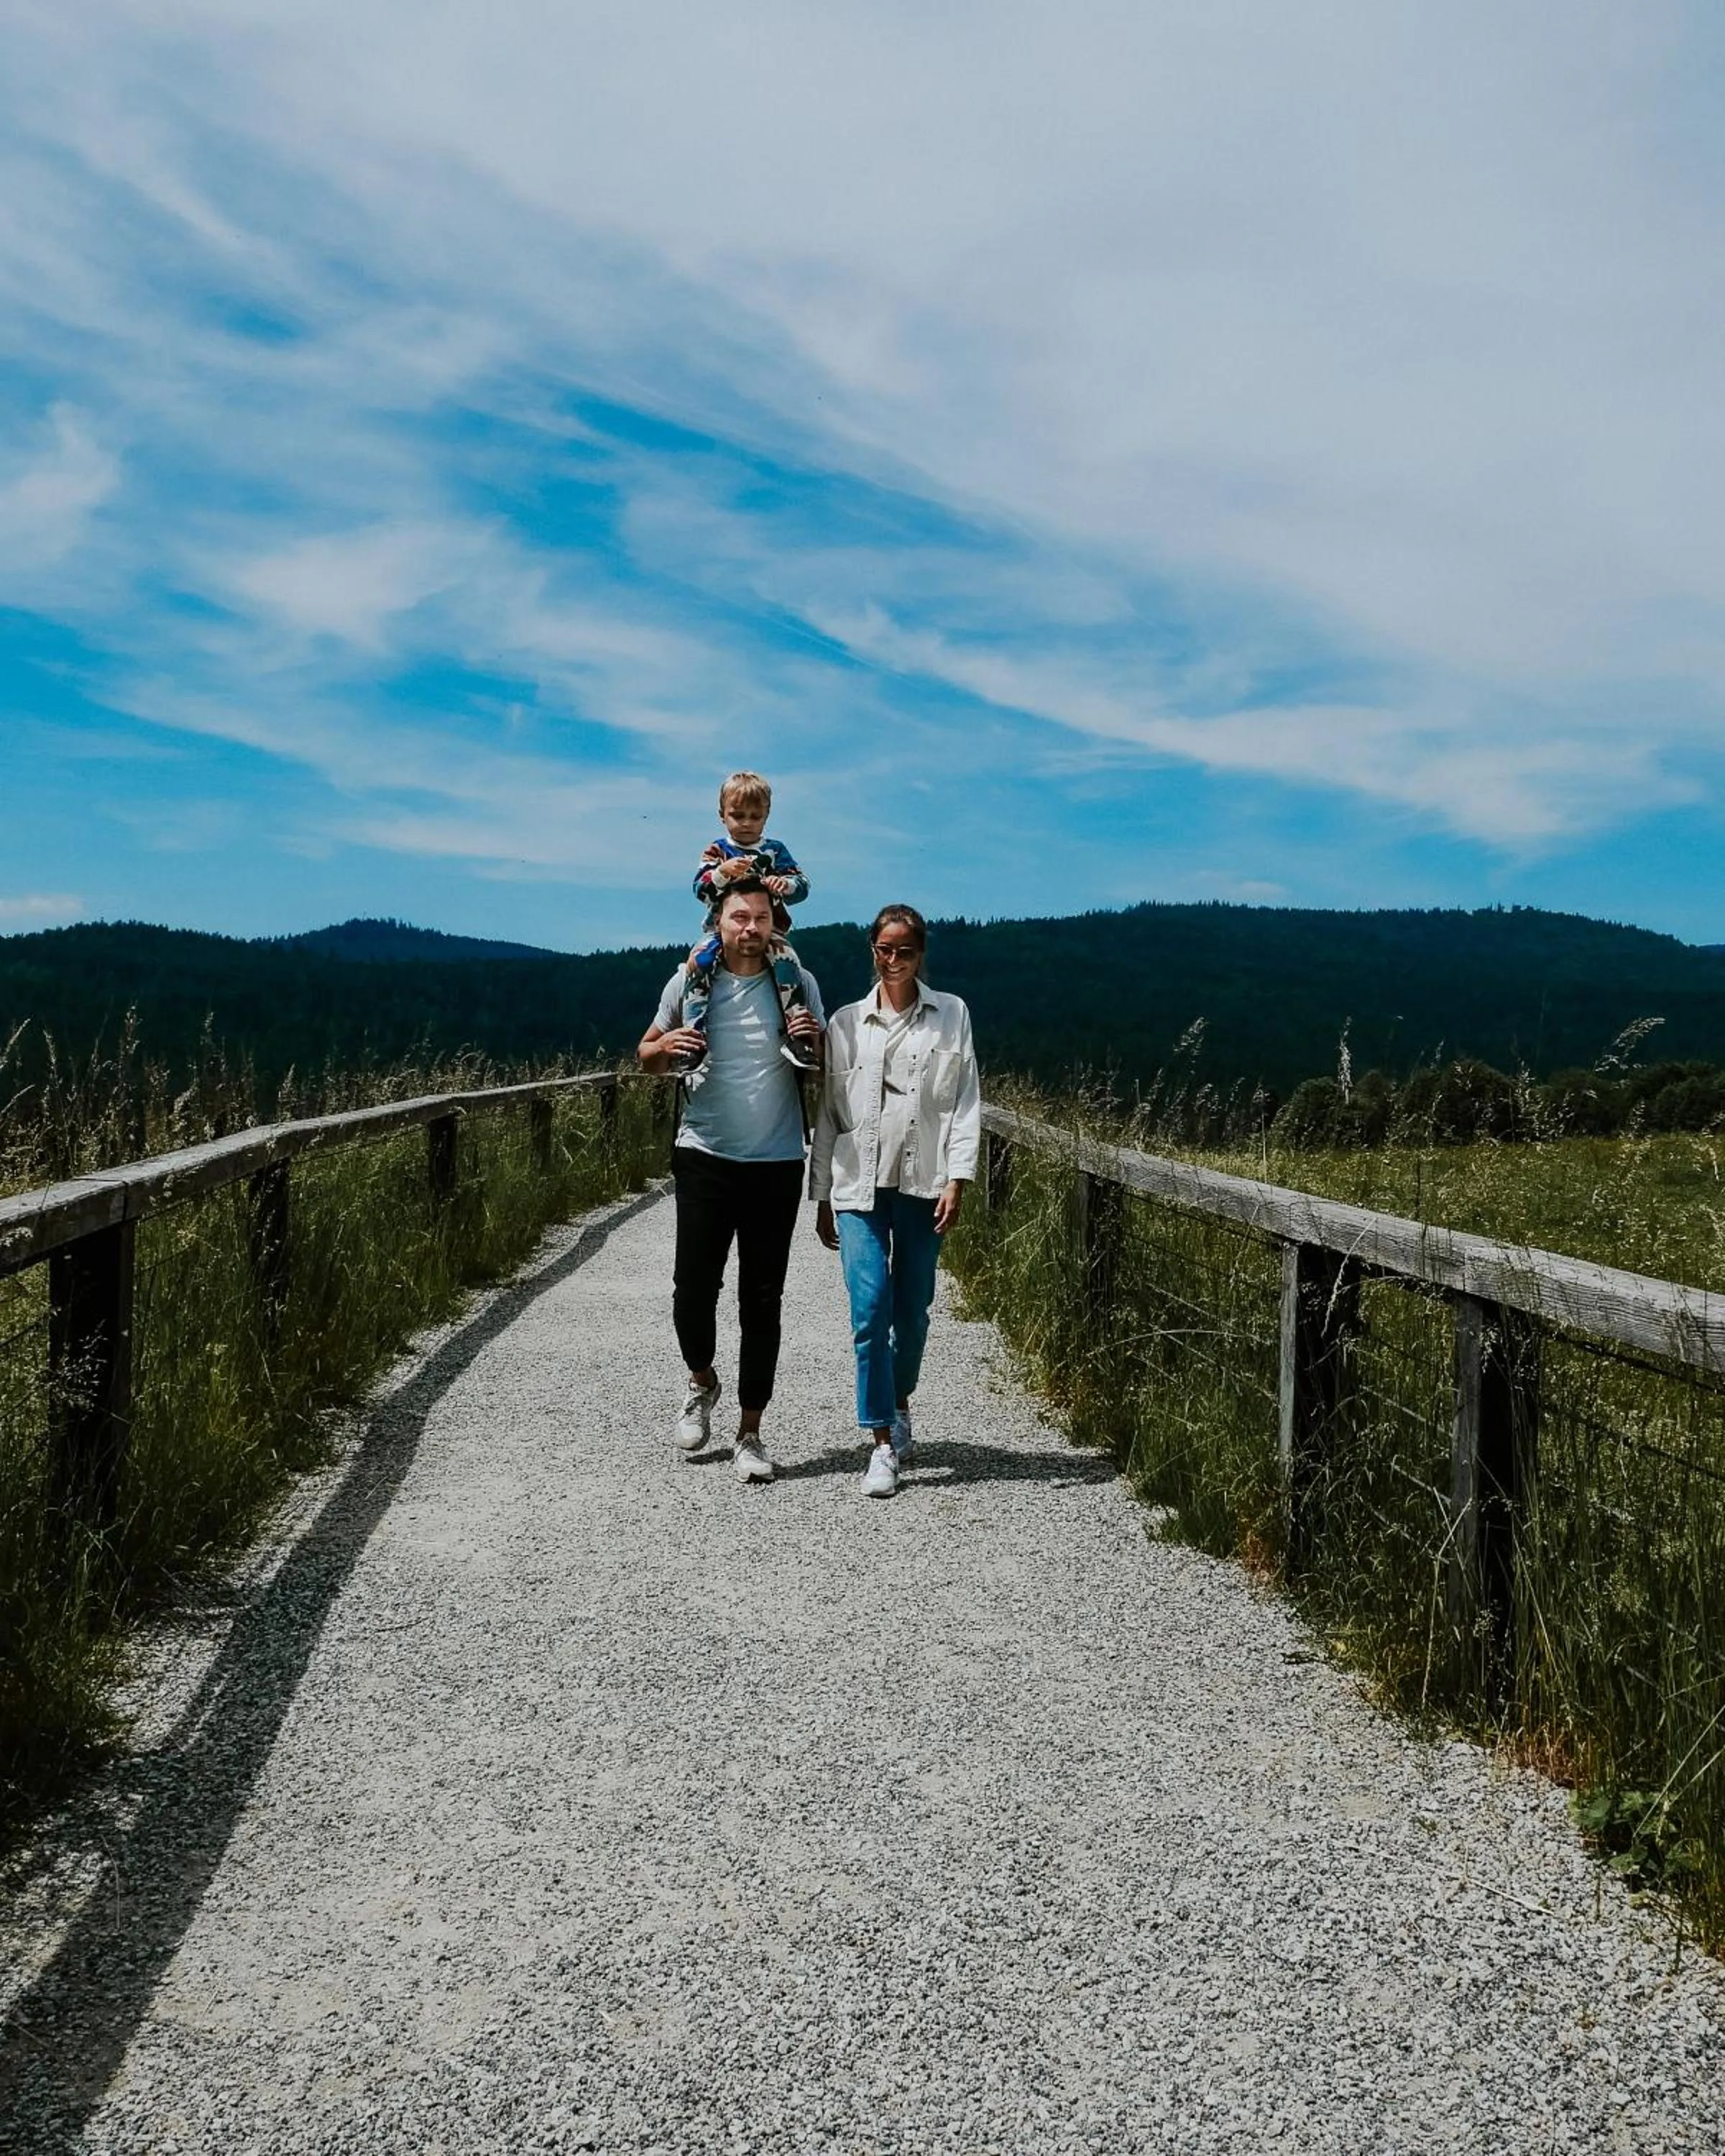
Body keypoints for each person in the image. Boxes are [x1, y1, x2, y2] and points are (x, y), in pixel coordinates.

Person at [638, 880, 825, 1485]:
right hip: (704, 1156)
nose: (750, 928)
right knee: (692, 1290)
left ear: (776, 924)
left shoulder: (797, 982)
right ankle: (702, 1381)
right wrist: (666, 1045)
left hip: (776, 1161)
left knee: (762, 1301)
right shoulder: (688, 981)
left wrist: (814, 1040)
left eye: (761, 918)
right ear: (717, 922)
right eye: (739, 917)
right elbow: (646, 1054)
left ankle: (751, 1432)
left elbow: (823, 1062)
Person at [810, 904, 981, 1498]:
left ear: (921, 953)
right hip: (857, 1185)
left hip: (924, 1183)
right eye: (885, 949)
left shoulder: (952, 1014)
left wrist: (958, 1179)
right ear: (872, 950)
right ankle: (881, 1441)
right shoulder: (845, 1023)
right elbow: (828, 1113)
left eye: (905, 950)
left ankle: (900, 1398)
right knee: (869, 1310)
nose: (894, 960)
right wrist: (821, 1194)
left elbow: (965, 1102)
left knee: (912, 1312)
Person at [681, 770, 816, 1080]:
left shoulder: (775, 851)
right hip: (721, 931)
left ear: (767, 816)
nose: (746, 823)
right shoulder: (717, 851)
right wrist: (722, 873)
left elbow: (803, 885)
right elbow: (700, 890)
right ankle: (694, 1037)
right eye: (738, 816)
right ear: (722, 815)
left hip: (771, 930)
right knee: (699, 961)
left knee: (788, 961)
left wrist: (785, 885)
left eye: (755, 817)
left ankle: (798, 1035)